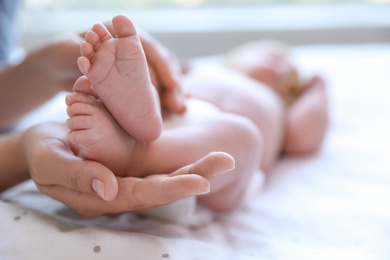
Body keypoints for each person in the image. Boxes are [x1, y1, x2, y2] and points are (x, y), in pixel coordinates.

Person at [65, 14, 328, 213]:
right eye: (274, 57)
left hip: (216, 173)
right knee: (157, 88)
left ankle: (135, 154)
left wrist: (317, 88)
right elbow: (173, 77)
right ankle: (125, 116)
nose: (285, 68)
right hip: (165, 121)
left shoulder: (280, 108)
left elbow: (304, 136)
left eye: (291, 67)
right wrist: (163, 78)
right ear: (232, 59)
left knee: (242, 135)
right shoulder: (205, 71)